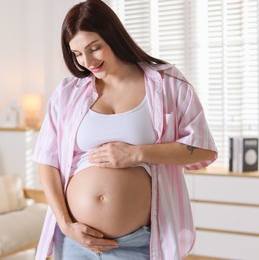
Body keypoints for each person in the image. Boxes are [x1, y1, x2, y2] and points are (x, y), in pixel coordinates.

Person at [32, 0, 217, 259]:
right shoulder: (67, 94)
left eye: (94, 48)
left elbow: (203, 150)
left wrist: (138, 154)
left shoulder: (166, 83)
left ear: (113, 36)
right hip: (77, 240)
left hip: (136, 242)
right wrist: (66, 225)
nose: (87, 61)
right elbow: (46, 163)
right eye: (77, 54)